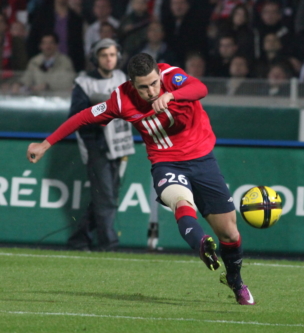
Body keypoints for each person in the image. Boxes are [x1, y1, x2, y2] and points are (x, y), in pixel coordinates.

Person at [26, 52, 255, 306]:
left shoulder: (172, 77)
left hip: (203, 161)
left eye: (154, 83)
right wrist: (45, 144)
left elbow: (200, 88)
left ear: (159, 74)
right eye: (143, 86)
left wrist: (171, 95)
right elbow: (84, 116)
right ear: (131, 83)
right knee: (181, 201)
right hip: (165, 162)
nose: (151, 91)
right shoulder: (121, 100)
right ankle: (201, 244)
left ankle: (235, 280)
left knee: (230, 234)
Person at [66, 38, 134, 251]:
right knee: (106, 197)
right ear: (95, 58)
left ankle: (79, 239)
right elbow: (76, 116)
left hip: (120, 144)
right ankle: (109, 244)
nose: (108, 59)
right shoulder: (84, 82)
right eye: (104, 55)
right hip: (96, 145)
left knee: (105, 196)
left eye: (112, 55)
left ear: (118, 57)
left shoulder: (123, 78)